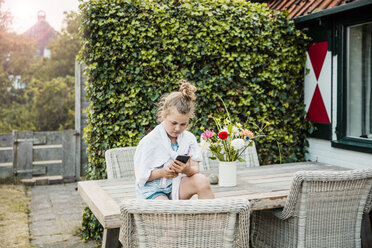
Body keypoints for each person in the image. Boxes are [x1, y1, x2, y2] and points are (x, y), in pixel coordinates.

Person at [134, 80, 215, 200]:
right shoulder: (150, 141)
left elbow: (195, 169)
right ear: (164, 115)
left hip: (175, 186)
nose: (177, 128)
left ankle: (210, 217)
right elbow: (139, 175)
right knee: (166, 207)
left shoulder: (188, 139)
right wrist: (162, 172)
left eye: (183, 124)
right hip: (153, 191)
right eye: (173, 123)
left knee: (202, 181)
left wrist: (186, 170)